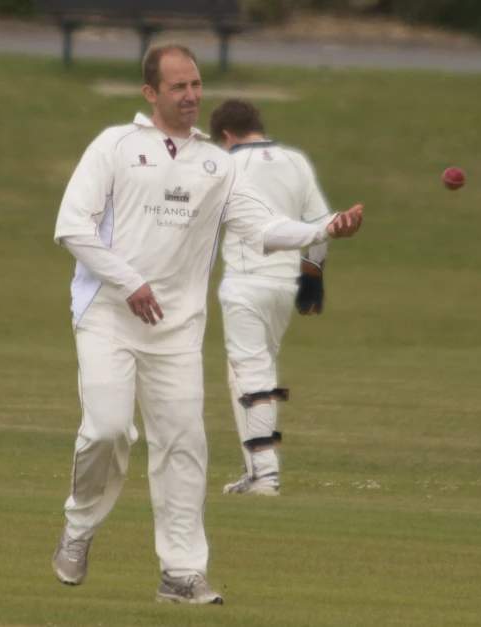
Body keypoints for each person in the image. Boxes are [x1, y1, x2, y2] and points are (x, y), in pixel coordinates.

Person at [51, 43, 363, 606]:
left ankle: (181, 574)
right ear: (151, 93)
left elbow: (263, 227)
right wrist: (130, 282)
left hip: (176, 330)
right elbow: (72, 227)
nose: (192, 95)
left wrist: (325, 229)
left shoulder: (217, 164)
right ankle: (77, 529)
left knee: (184, 445)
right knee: (108, 429)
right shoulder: (116, 146)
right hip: (108, 315)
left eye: (195, 84)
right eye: (178, 87)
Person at [209, 98, 333, 497]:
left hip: (246, 281)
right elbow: (321, 224)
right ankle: (255, 470)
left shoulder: (228, 165)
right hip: (285, 286)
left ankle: (266, 475)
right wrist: (313, 275)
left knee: (252, 374)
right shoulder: (295, 160)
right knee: (248, 374)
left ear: (226, 135)